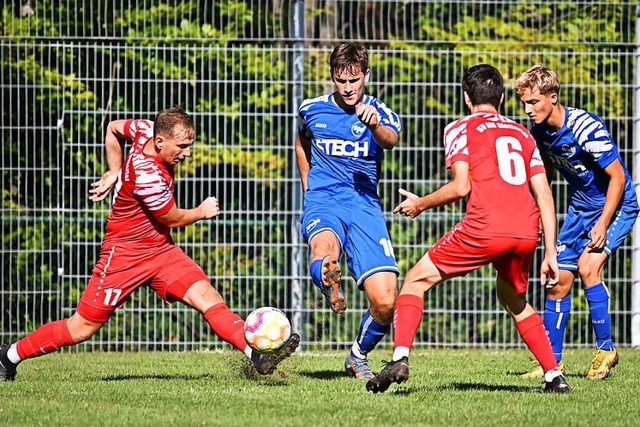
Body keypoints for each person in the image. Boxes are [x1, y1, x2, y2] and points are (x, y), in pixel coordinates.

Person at [0, 107, 299, 381]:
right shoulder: (147, 176)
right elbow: (172, 217)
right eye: (182, 147)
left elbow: (114, 128)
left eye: (190, 145)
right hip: (124, 255)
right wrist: (202, 211)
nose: (188, 153)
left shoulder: (144, 129)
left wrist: (114, 169)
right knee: (82, 327)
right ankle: (7, 357)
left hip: (160, 250)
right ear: (159, 142)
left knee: (209, 298)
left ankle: (257, 356)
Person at [366, 64, 571, 394]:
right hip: (526, 230)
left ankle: (400, 357)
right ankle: (554, 376)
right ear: (502, 99)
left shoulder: (459, 128)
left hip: (485, 226)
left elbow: (461, 186)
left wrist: (420, 204)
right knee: (513, 298)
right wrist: (550, 253)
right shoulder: (522, 134)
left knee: (415, 280)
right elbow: (545, 194)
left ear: (466, 97)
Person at [515, 65, 639, 380]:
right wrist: (541, 213)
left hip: (618, 205)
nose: (528, 110)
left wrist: (603, 223)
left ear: (553, 97)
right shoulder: (539, 132)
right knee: (557, 281)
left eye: (534, 103)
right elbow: (548, 174)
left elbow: (618, 177)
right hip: (580, 208)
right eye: (524, 104)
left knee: (588, 267)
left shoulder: (586, 127)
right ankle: (551, 363)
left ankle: (606, 350)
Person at [295, 42, 401, 379]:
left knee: (386, 301)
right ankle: (329, 280)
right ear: (333, 78)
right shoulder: (311, 109)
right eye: (341, 80)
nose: (348, 87)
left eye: (354, 79)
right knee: (325, 251)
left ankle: (357, 356)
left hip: (364, 205)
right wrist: (307, 186)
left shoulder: (378, 111)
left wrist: (372, 125)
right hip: (324, 200)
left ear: (366, 75)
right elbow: (301, 142)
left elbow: (390, 140)